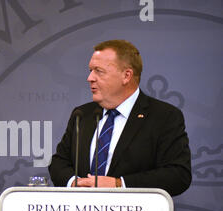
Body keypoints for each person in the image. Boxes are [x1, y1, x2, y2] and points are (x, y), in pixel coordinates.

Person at [49, 40, 191, 197]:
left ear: (126, 76)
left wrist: (119, 184)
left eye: (98, 71)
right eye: (90, 70)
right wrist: (75, 183)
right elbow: (59, 162)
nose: (90, 78)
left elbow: (178, 175)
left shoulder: (164, 116)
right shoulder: (82, 114)